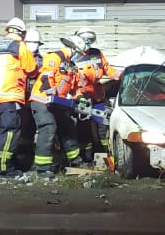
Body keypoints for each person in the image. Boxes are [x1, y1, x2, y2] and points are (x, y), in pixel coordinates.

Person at [0, 17, 37, 176]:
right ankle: (4, 168)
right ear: (22, 33)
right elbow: (32, 69)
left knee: (3, 131)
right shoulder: (19, 46)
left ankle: (2, 165)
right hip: (10, 95)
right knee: (10, 133)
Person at [28, 35, 86, 175]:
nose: (78, 57)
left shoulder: (72, 67)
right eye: (78, 54)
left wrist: (80, 98)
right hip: (42, 101)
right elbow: (46, 77)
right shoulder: (54, 57)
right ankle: (42, 168)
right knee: (48, 128)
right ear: (73, 49)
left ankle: (75, 160)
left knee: (68, 127)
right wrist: (51, 93)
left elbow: (76, 87)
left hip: (57, 104)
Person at [71, 26, 122, 162]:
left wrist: (122, 76)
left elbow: (107, 69)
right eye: (85, 40)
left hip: (98, 97)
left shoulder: (96, 53)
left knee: (102, 125)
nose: (87, 43)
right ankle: (87, 157)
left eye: (90, 40)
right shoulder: (72, 55)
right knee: (84, 129)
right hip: (82, 97)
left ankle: (105, 154)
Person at [16, 29, 44, 168]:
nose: (33, 45)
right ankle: (18, 155)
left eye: (36, 42)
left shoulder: (42, 60)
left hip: (34, 100)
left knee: (30, 128)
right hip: (19, 98)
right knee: (18, 127)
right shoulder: (18, 57)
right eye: (30, 42)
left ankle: (27, 154)